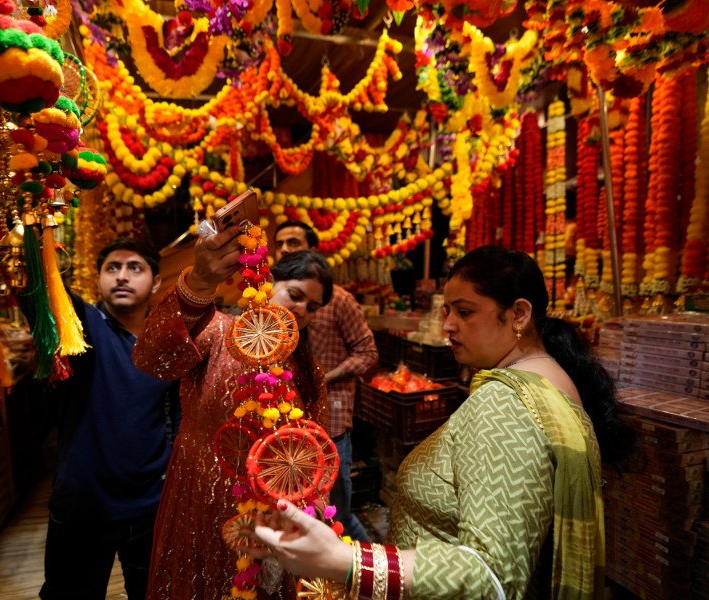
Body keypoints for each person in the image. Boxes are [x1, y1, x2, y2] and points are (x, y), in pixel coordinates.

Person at [249, 245, 637, 599]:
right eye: (447, 310)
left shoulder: (506, 403)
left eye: (464, 312)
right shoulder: (545, 382)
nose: (447, 325)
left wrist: (347, 561)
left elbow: (493, 575)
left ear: (518, 314)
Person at [132, 224, 333, 600]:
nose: (302, 310)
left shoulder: (307, 368)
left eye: (313, 307)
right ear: (269, 282)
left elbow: (316, 448)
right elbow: (151, 359)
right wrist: (199, 283)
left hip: (273, 517)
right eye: (296, 294)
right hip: (199, 504)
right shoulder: (219, 332)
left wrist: (313, 507)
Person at [40, 237, 179, 600]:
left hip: (151, 504)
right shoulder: (83, 325)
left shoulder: (166, 341)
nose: (122, 276)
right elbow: (44, 292)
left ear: (156, 282)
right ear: (98, 278)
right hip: (84, 504)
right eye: (112, 268)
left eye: (135, 268)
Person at [274, 219, 378, 542]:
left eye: (293, 243)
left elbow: (368, 354)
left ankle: (371, 570)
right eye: (280, 244)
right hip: (289, 435)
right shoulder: (274, 306)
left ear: (313, 250)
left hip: (330, 424)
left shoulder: (339, 300)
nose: (285, 250)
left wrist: (323, 379)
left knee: (337, 513)